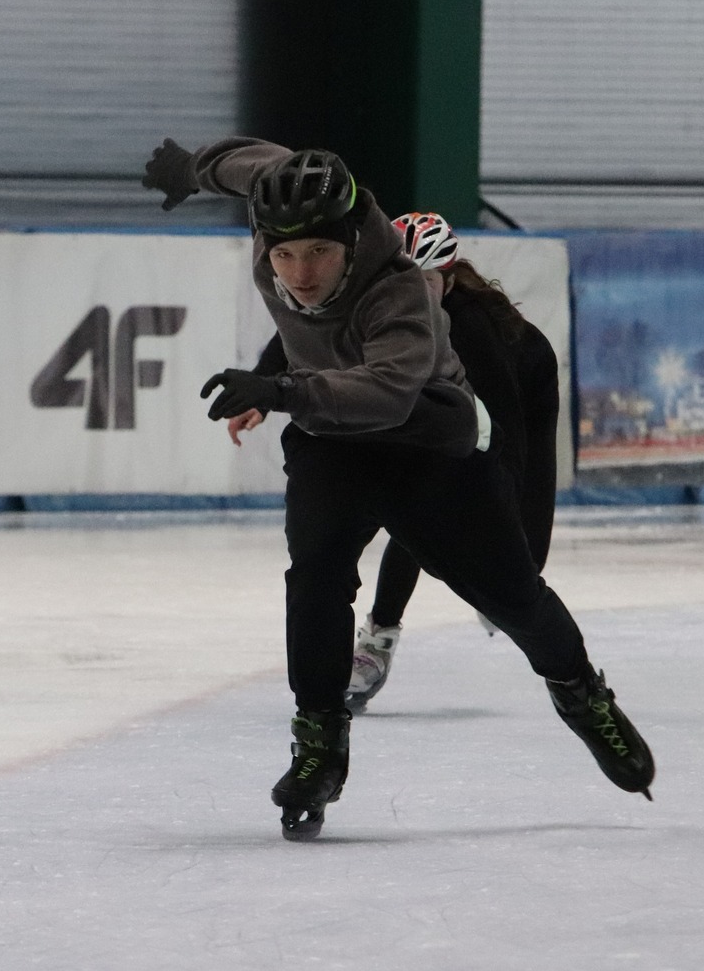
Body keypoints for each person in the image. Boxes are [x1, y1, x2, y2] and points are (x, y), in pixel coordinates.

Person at [142, 135, 654, 840]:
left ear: (353, 238)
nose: (300, 274)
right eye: (284, 256)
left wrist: (281, 389)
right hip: (330, 441)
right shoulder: (279, 208)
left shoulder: (397, 288)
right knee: (315, 575)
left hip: (427, 440)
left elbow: (386, 391)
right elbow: (246, 163)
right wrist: (191, 168)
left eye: (319, 253)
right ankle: (320, 743)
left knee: (513, 597)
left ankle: (581, 693)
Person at [231, 212, 561, 713]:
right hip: (429, 417)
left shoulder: (479, 330)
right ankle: (379, 636)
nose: (412, 297)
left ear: (449, 281)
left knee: (523, 565)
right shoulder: (375, 304)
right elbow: (295, 333)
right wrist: (261, 387)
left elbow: (506, 442)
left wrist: (497, 529)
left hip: (518, 397)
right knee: (413, 506)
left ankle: (562, 664)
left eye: (424, 285)